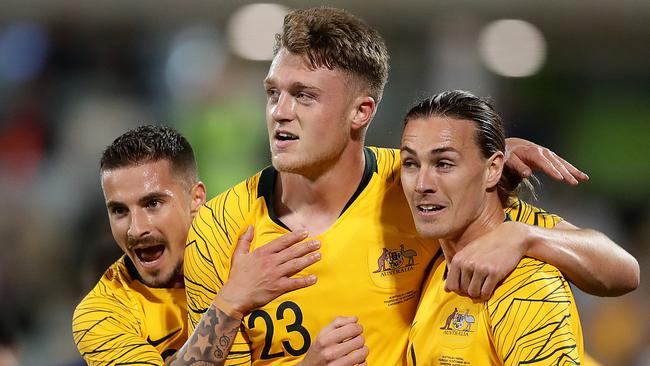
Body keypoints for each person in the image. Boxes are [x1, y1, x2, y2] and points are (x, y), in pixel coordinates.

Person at [184, 7, 639, 366]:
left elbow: (622, 270)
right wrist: (231, 306)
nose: (280, 111)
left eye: (304, 95)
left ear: (361, 112)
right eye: (272, 93)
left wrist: (519, 221)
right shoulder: (220, 230)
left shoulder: (415, 193)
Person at [72, 125, 322, 365]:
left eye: (152, 204)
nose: (136, 228)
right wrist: (232, 301)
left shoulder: (264, 253)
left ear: (196, 199)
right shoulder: (102, 315)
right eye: (119, 210)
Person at [400, 90, 590, 365]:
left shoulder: (528, 287)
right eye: (410, 163)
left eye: (444, 164)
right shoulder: (438, 266)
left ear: (492, 169)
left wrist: (525, 235)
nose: (421, 184)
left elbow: (625, 271)